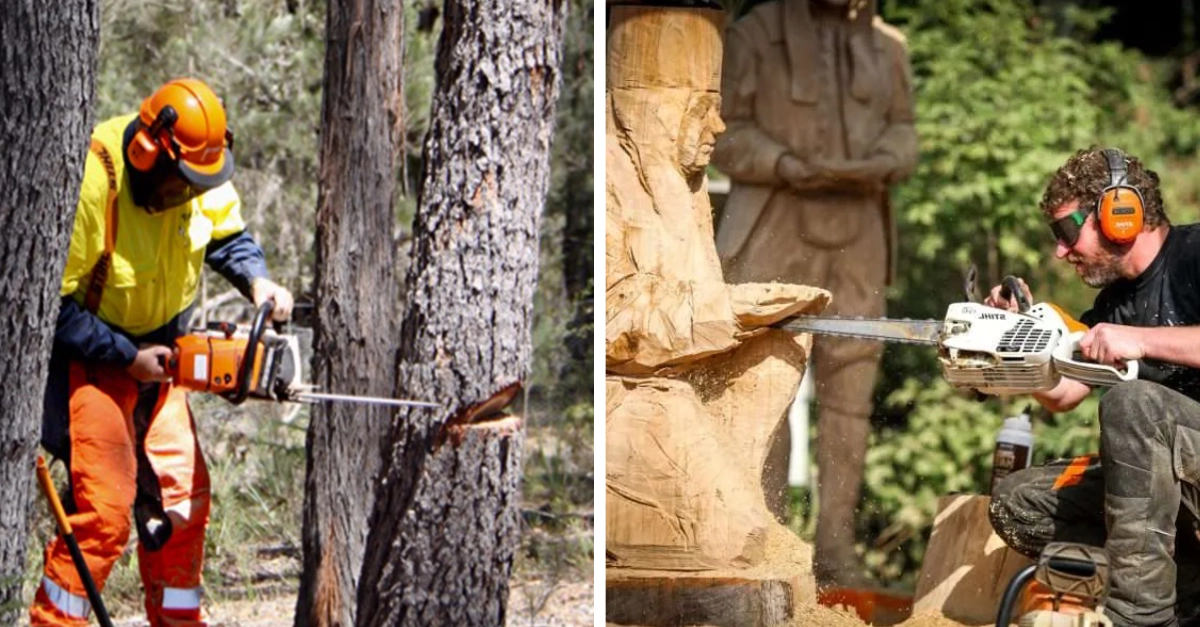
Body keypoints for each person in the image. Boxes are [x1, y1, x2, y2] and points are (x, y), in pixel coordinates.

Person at [33, 78, 293, 627]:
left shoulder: (201, 170)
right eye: (179, 185)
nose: (187, 195)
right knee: (104, 514)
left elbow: (227, 235)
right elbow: (47, 306)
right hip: (93, 355)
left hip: (165, 356)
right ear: (147, 154)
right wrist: (126, 356)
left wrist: (258, 283)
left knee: (183, 501)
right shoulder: (94, 179)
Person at [711, 0, 918, 586]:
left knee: (852, 391)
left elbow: (905, 130)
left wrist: (887, 158)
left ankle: (836, 552)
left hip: (861, 230)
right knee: (760, 382)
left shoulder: (889, 45)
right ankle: (760, 542)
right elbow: (718, 128)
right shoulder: (754, 34)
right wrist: (780, 161)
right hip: (776, 220)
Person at [987, 147, 1200, 627]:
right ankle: (1185, 597)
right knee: (1019, 502)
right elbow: (1065, 395)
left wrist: (1140, 342)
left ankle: (1137, 618)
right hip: (1175, 493)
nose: (1061, 251)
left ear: (1119, 214)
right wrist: (1021, 341)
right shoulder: (1113, 304)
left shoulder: (1194, 255)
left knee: (1134, 404)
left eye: (1066, 232)